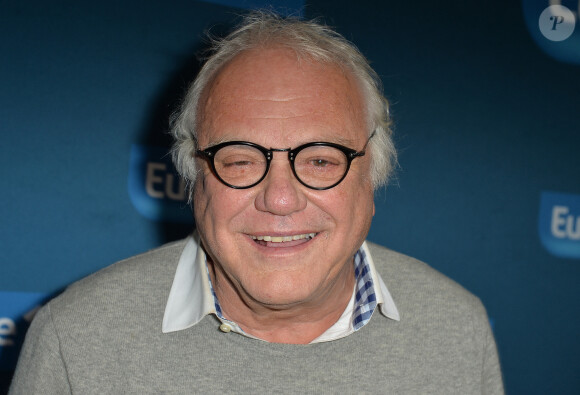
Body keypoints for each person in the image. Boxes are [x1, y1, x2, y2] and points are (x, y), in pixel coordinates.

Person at [10, 11, 503, 394]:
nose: (281, 198)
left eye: (320, 160)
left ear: (371, 177)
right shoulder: (76, 340)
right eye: (240, 160)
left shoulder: (456, 328)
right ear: (194, 178)